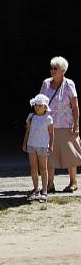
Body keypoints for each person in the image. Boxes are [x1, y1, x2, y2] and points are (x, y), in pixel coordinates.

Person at [39, 56, 81, 193]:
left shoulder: (69, 84)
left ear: (63, 70)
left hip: (66, 125)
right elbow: (40, 103)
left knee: (70, 155)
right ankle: (50, 184)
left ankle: (73, 182)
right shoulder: (46, 83)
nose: (52, 70)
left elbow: (75, 107)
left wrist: (76, 125)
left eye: (55, 68)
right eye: (51, 68)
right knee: (49, 155)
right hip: (49, 125)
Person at [21, 94, 54, 203]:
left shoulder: (48, 118)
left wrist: (51, 145)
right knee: (33, 168)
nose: (37, 107)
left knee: (43, 168)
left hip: (43, 146)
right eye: (35, 105)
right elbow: (28, 131)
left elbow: (51, 133)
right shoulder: (31, 116)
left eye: (40, 105)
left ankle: (44, 191)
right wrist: (25, 143)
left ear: (45, 107)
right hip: (31, 145)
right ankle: (36, 189)